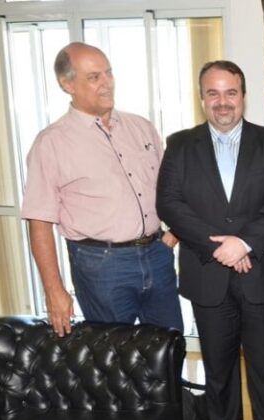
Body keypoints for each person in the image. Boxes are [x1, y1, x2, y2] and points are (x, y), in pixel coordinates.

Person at [156, 60, 264, 420]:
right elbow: (169, 204)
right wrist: (219, 247)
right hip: (208, 277)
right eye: (213, 93)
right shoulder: (179, 145)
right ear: (202, 98)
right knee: (218, 377)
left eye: (230, 92)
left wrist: (245, 242)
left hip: (261, 276)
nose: (222, 102)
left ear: (243, 96)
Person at [21, 42, 183, 337]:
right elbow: (39, 222)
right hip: (101, 267)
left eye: (108, 73)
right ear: (68, 84)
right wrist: (54, 290)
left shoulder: (141, 127)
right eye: (94, 77)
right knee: (112, 354)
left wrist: (172, 235)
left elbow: (171, 189)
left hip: (157, 254)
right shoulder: (51, 143)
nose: (107, 83)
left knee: (169, 348)